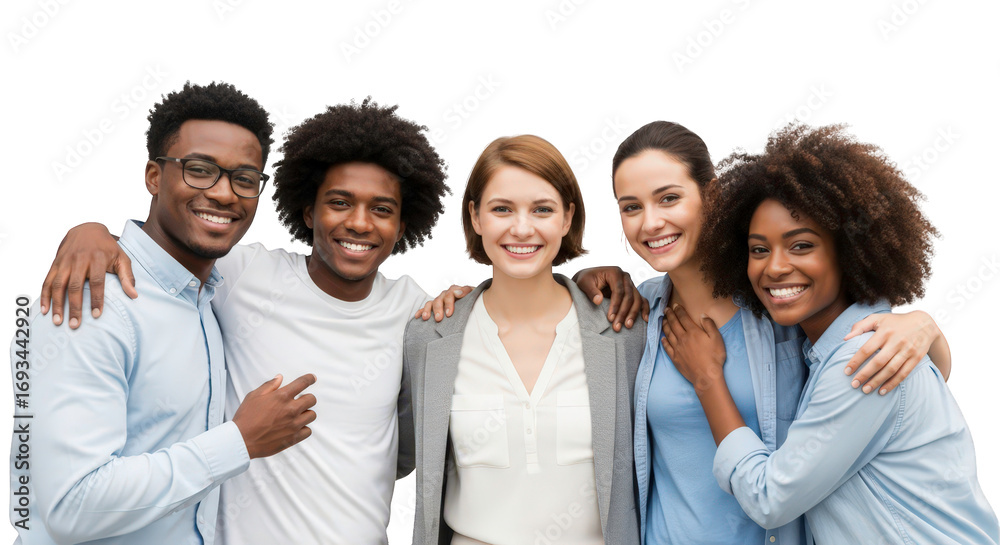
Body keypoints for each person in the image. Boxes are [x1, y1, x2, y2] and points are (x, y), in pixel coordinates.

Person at [34, 104, 645, 543]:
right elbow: (179, 252)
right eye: (338, 202)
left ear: (405, 226)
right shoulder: (244, 278)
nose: (359, 223)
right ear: (305, 209)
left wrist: (597, 275)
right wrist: (89, 233)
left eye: (381, 209)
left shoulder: (421, 312)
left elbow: (414, 440)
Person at [424, 120, 952, 544]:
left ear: (712, 194)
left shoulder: (779, 305)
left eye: (669, 198)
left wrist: (922, 325)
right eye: (631, 207)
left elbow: (904, 380)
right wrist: (578, 278)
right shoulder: (637, 313)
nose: (650, 222)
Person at [9, 82, 317, 545]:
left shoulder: (209, 297)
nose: (224, 193)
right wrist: (239, 441)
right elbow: (69, 506)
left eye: (245, 178)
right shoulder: (92, 299)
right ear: (154, 177)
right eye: (199, 170)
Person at [667, 123, 998, 543]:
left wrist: (708, 380)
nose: (775, 267)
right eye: (758, 249)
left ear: (848, 250)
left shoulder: (858, 358)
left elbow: (770, 498)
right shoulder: (841, 346)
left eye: (801, 245)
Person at [404, 135, 645, 544]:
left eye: (542, 209)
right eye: (501, 209)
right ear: (476, 217)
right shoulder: (430, 337)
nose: (521, 228)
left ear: (567, 218)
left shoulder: (624, 332)